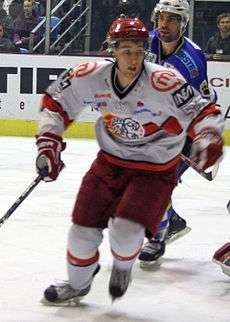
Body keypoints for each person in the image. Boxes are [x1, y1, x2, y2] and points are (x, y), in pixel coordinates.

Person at [35, 15, 224, 304]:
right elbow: (55, 103)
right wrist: (48, 143)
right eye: (126, 51)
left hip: (156, 168)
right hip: (109, 162)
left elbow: (204, 112)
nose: (133, 58)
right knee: (81, 231)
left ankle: (123, 266)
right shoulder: (90, 75)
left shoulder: (164, 81)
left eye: (138, 50)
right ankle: (78, 283)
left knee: (126, 231)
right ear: (112, 50)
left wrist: (208, 137)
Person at [139, 0, 218, 266]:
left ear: (183, 23)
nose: (164, 24)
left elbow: (201, 106)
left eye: (172, 19)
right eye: (161, 17)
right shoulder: (146, 41)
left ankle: (157, 237)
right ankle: (171, 221)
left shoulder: (192, 60)